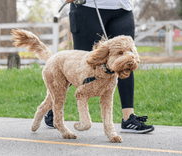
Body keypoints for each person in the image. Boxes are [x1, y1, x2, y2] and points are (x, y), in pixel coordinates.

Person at [44, 0, 154, 134]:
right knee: (81, 65)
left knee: (125, 62)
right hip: (88, 7)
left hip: (122, 8)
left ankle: (128, 118)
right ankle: (51, 110)